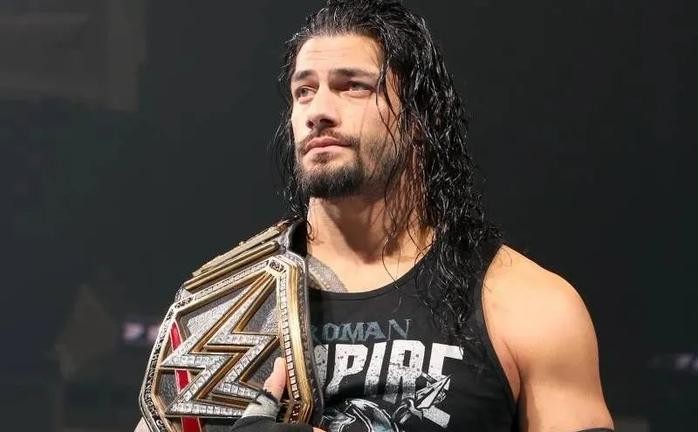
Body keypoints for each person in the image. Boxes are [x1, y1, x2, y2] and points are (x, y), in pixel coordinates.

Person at [137, 1, 613, 431]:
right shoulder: (220, 309)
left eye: (353, 87)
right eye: (304, 91)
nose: (319, 111)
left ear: (421, 118)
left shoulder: (527, 305)